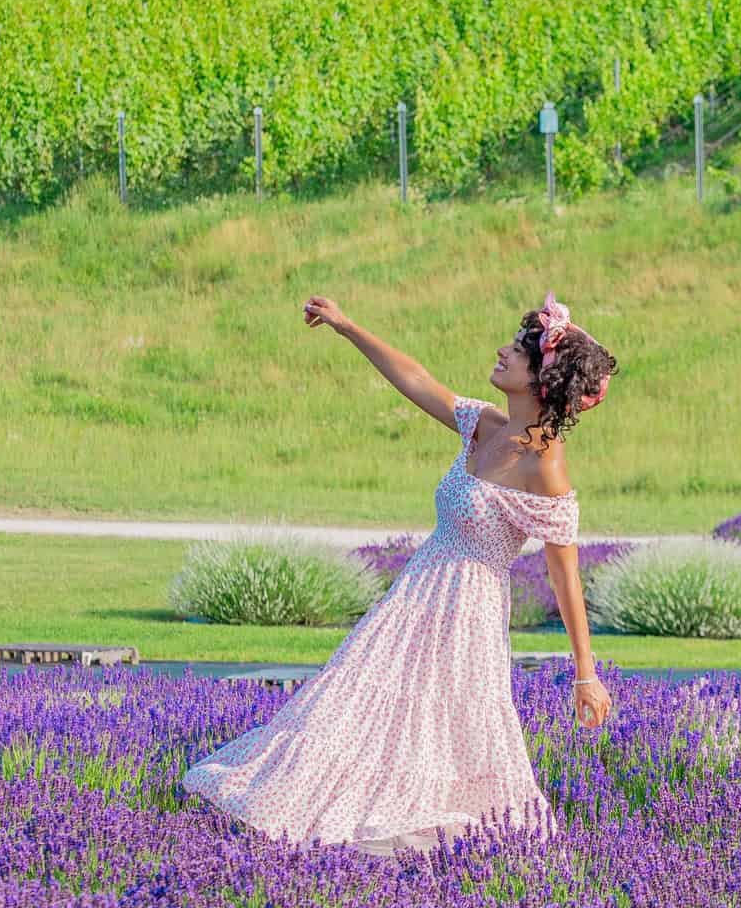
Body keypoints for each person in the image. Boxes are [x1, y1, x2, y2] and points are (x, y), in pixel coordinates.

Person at [179, 290, 617, 854]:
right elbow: (415, 380)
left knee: (434, 732)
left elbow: (565, 577)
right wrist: (346, 327)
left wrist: (586, 673)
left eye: (518, 349)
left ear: (543, 379)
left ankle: (425, 839)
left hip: (466, 617)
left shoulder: (544, 464)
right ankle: (313, 810)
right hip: (415, 597)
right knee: (353, 705)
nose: (502, 351)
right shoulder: (486, 426)